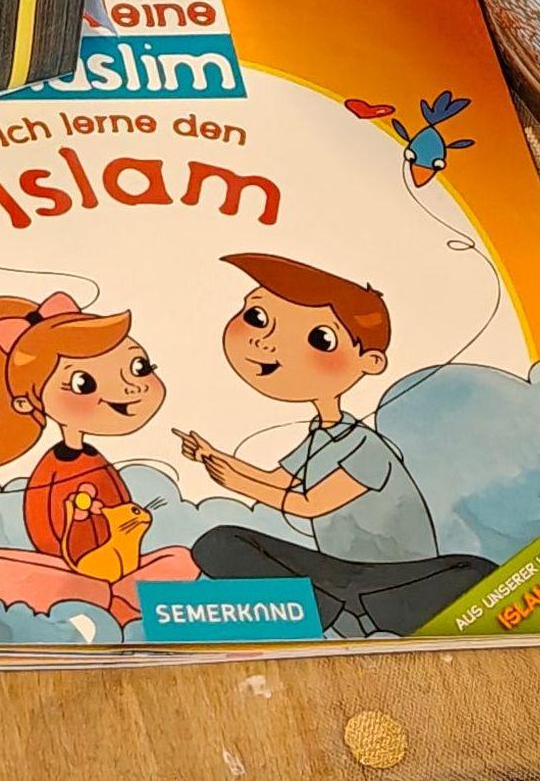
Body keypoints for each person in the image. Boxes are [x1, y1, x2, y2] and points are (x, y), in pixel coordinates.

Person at [176, 253, 494, 637]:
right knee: (218, 543)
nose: (270, 342)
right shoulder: (320, 435)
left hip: (394, 579)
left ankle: (332, 607)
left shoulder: (366, 446)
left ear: (370, 361)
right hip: (335, 575)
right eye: (257, 318)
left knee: (474, 573)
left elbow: (309, 504)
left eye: (320, 339)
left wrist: (237, 483)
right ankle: (331, 606)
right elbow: (277, 480)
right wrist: (211, 456)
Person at [0, 288, 201, 627]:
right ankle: (110, 598)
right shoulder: (53, 468)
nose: (131, 386)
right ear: (26, 403)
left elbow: (121, 510)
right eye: (83, 383)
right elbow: (43, 529)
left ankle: (106, 598)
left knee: (182, 558)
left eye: (139, 366)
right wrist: (80, 521)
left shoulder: (98, 460)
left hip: (120, 565)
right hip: (69, 566)